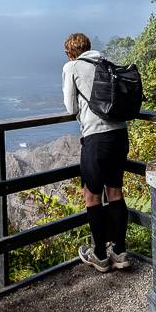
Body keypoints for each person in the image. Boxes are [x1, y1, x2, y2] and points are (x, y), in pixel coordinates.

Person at [61, 32, 132, 272]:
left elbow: (71, 108)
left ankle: (100, 255)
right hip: (120, 135)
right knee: (115, 191)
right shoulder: (105, 62)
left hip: (95, 139)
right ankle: (120, 252)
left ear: (70, 52)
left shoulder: (72, 67)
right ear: (89, 47)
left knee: (92, 196)